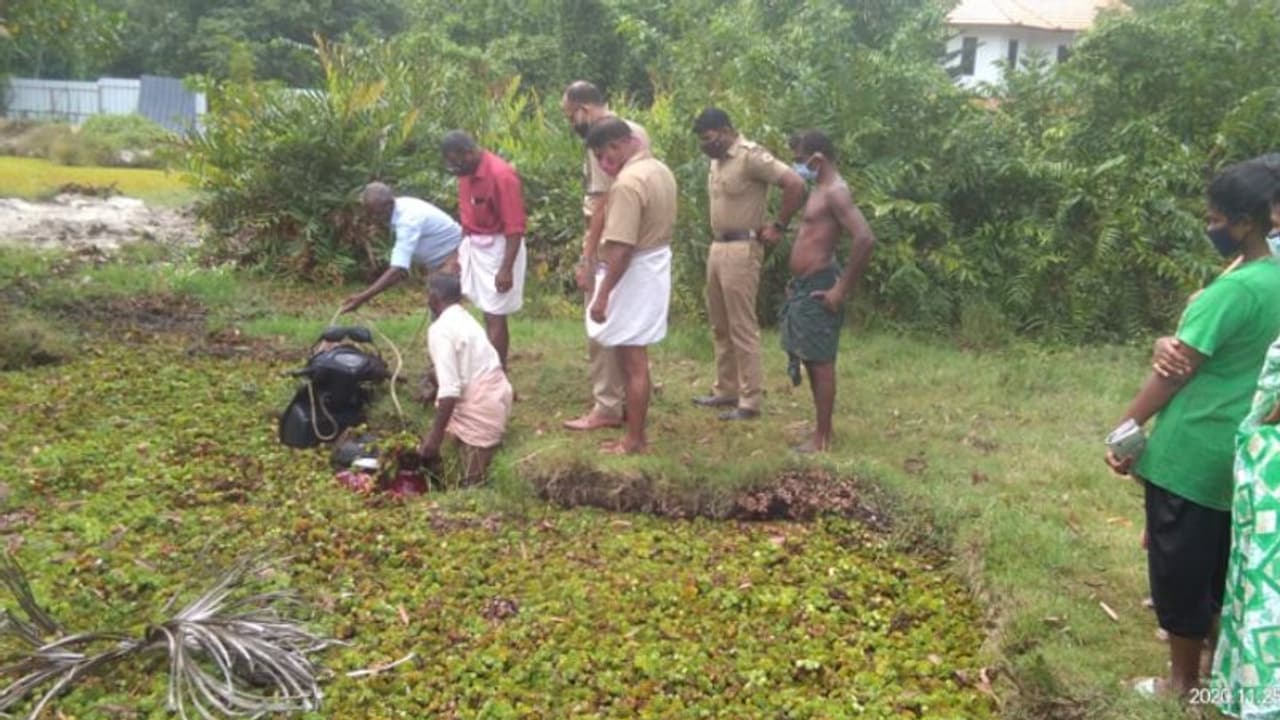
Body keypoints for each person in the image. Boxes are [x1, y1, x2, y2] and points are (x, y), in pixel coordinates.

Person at [1105, 159, 1280, 701]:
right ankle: (1212, 665)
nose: (1211, 228)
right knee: (1220, 564)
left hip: (1193, 451)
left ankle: (1183, 686)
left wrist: (1126, 427)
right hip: (1243, 450)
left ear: (1243, 223)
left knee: (1179, 570)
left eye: (1215, 218)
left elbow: (1172, 374)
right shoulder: (1273, 279)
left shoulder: (1235, 291)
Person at [691, 108, 806, 420]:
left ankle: (750, 400)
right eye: (702, 141)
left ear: (726, 130)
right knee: (720, 324)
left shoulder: (750, 156)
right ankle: (725, 389)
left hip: (743, 248)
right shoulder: (717, 160)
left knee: (741, 325)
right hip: (717, 246)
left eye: (709, 138)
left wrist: (779, 226)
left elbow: (795, 183)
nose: (706, 146)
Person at [559, 81, 651, 432]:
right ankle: (631, 397)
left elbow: (602, 203)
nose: (572, 123)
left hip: (611, 238)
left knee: (600, 322)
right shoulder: (634, 132)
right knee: (629, 325)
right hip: (634, 237)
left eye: (571, 116)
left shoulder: (602, 142)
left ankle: (606, 405)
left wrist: (588, 257)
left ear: (584, 109)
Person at [584, 118, 677, 455]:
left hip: (633, 272)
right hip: (653, 264)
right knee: (635, 356)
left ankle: (634, 440)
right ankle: (635, 435)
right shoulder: (659, 169)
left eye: (603, 154)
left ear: (619, 144)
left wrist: (603, 294)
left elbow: (621, 249)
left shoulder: (628, 183)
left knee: (632, 360)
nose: (603, 163)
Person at [781, 129, 875, 453]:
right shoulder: (819, 188)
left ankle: (822, 437)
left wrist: (840, 290)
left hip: (822, 284)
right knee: (809, 358)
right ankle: (820, 430)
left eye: (799, 161)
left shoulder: (835, 192)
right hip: (806, 284)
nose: (797, 167)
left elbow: (865, 238)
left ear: (817, 159)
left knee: (821, 362)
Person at [440, 130, 527, 372]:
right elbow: (468, 221)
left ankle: (496, 377)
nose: (453, 169)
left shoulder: (501, 175)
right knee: (484, 311)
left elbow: (515, 227)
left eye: (455, 162)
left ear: (469, 153)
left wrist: (506, 269)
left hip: (500, 249)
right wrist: (458, 254)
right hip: (475, 247)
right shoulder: (465, 173)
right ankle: (486, 367)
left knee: (495, 314)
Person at [418, 272, 513, 485]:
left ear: (434, 298)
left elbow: (450, 390)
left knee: (471, 483)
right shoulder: (465, 319)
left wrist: (434, 437)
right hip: (496, 396)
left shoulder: (440, 329)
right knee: (454, 468)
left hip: (481, 406)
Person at [339, 182, 461, 314]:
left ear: (388, 205)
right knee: (438, 307)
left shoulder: (408, 220)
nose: (374, 219)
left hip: (455, 255)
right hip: (441, 261)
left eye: (377, 213)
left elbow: (398, 270)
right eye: (370, 213)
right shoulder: (400, 207)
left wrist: (363, 298)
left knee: (445, 307)